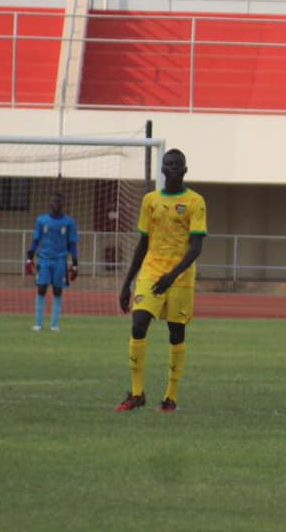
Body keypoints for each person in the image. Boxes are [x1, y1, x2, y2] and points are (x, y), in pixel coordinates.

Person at [115, 149, 207, 413]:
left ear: (185, 170)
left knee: (176, 333)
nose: (173, 168)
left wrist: (172, 275)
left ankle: (170, 398)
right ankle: (136, 393)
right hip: (151, 273)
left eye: (178, 165)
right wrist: (127, 283)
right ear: (163, 170)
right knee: (138, 324)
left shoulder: (195, 201)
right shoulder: (150, 200)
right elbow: (142, 243)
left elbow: (196, 246)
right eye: (168, 164)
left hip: (180, 277)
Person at [25, 192, 79, 332]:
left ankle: (54, 324)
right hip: (43, 259)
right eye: (54, 201)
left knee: (57, 290)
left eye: (58, 201)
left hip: (60, 260)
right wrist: (29, 258)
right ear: (50, 203)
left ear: (63, 204)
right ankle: (38, 323)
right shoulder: (41, 220)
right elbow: (36, 240)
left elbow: (72, 244)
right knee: (41, 288)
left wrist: (75, 263)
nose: (56, 204)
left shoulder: (69, 222)